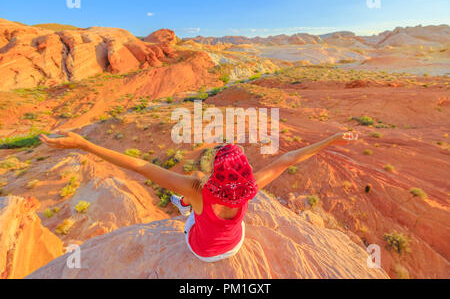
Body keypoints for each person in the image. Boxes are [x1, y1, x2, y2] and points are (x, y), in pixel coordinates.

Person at [40, 131, 357, 262]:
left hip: (200, 251)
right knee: (230, 222)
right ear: (245, 173)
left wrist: (84, 145)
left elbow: (142, 166)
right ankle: (187, 210)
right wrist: (331, 140)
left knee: (189, 211)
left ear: (216, 171)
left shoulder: (197, 189)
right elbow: (289, 160)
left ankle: (183, 209)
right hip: (232, 247)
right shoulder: (252, 188)